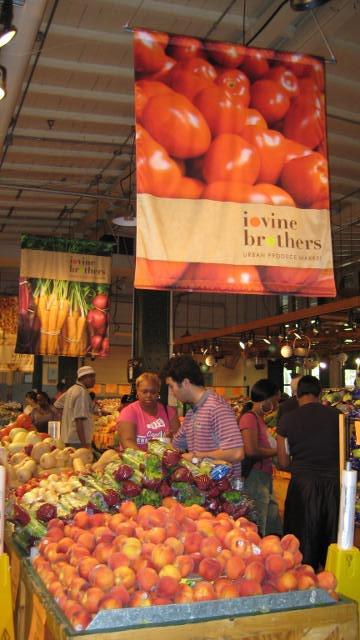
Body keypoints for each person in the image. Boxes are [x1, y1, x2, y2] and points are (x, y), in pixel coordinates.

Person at [277, 375, 340, 571]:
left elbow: (283, 462)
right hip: (333, 486)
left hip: (302, 487)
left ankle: (304, 586)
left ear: (297, 395)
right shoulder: (338, 416)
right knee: (331, 542)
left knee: (301, 544)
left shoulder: (287, 420)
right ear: (320, 394)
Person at [163, 355, 244, 477]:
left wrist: (196, 456)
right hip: (204, 486)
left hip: (223, 490)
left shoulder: (216, 407)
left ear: (185, 383)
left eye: (171, 386)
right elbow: (177, 444)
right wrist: (166, 441)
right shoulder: (192, 413)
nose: (171, 392)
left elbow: (236, 453)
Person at [238, 379, 282, 537]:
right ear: (266, 399)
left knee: (272, 523)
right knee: (259, 526)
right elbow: (251, 450)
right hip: (255, 479)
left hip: (264, 477)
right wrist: (278, 451)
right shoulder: (249, 418)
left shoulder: (259, 418)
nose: (276, 405)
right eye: (275, 401)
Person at [117, 372, 180, 451]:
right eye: (144, 392)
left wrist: (172, 440)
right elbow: (127, 441)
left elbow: (179, 439)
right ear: (138, 392)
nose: (149, 395)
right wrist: (147, 458)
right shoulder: (128, 412)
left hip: (164, 460)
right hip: (136, 460)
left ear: (158, 392)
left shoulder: (169, 412)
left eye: (153, 392)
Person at [54, 366, 96, 447]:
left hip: (67, 438)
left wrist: (67, 419)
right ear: (84, 377)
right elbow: (79, 420)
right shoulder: (81, 393)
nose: (94, 380)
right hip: (78, 441)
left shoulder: (72, 389)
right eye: (92, 377)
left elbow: (57, 405)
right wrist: (84, 445)